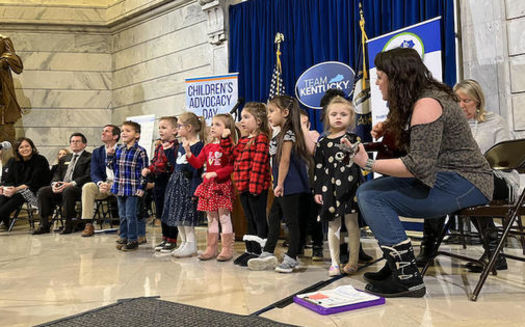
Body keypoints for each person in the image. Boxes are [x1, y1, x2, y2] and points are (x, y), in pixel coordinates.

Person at [352, 47, 493, 298]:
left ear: (397, 78)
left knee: (372, 195)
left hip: (468, 181)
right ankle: (397, 264)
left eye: (381, 76)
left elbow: (418, 165)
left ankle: (407, 278)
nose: (377, 82)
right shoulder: (423, 98)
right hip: (447, 176)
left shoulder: (428, 103)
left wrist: (368, 163)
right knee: (368, 191)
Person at [416, 79, 519, 271]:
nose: (461, 105)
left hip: (499, 178)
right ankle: (429, 247)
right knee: (437, 184)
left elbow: (507, 157)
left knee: (469, 183)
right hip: (464, 179)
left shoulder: (494, 122)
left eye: (467, 100)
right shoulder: (451, 125)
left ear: (477, 101)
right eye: (457, 100)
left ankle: (493, 251)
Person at [246, 96, 310, 273]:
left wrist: (280, 183)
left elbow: (285, 160)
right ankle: (267, 252)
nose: (269, 115)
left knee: (292, 222)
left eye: (272, 111)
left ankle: (292, 257)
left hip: (292, 186)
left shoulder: (289, 133)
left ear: (286, 112)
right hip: (282, 186)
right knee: (273, 217)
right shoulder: (278, 134)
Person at [312, 96, 363, 276]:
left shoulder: (353, 138)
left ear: (351, 117)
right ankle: (334, 262)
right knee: (333, 225)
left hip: (350, 188)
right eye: (334, 114)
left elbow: (359, 163)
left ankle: (353, 261)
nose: (338, 117)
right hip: (329, 188)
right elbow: (319, 167)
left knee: (352, 223)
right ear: (327, 117)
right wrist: (317, 190)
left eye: (343, 114)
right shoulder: (323, 142)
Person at [221, 102, 271, 266]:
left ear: (258, 121)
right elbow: (231, 155)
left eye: (246, 117)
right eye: (241, 117)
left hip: (255, 188)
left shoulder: (261, 139)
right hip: (243, 188)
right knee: (249, 219)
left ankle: (263, 250)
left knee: (259, 218)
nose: (242, 121)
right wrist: (226, 139)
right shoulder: (244, 140)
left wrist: (254, 189)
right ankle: (251, 250)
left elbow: (259, 164)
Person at [185, 114, 235, 261]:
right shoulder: (208, 147)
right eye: (212, 124)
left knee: (224, 218)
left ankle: (227, 249)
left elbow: (231, 166)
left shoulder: (228, 146)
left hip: (222, 186)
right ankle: (211, 248)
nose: (213, 127)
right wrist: (188, 153)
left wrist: (215, 173)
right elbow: (198, 163)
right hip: (209, 187)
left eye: (217, 124)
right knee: (211, 218)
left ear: (227, 129)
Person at [162, 112, 205, 258]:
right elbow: (177, 164)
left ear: (189, 127)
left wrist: (194, 190)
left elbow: (196, 168)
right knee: (178, 215)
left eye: (179, 126)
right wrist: (168, 152)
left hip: (188, 183)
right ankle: (184, 242)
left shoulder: (198, 146)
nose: (177, 129)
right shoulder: (181, 145)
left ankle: (191, 244)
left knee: (187, 216)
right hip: (177, 184)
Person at [33, 133, 92, 235]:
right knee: (43, 191)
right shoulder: (65, 158)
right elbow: (57, 174)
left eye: (78, 141)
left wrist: (71, 184)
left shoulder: (89, 157)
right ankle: (44, 225)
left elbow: (88, 175)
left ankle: (69, 224)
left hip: (78, 188)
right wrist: (55, 184)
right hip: (62, 187)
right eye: (72, 141)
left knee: (68, 190)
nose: (75, 143)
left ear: (84, 144)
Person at [107, 121, 148, 251]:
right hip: (120, 187)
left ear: (137, 135)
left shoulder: (140, 151)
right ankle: (123, 237)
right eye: (123, 130)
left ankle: (133, 240)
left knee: (131, 215)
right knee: (123, 214)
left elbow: (144, 172)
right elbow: (111, 167)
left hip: (133, 188)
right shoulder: (119, 149)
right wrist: (109, 156)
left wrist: (142, 187)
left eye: (128, 131)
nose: (124, 133)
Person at [142, 116, 179, 252]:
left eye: (164, 127)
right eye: (159, 128)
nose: (161, 130)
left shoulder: (176, 147)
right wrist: (149, 169)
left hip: (169, 179)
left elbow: (175, 164)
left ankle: (172, 239)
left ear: (175, 130)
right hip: (159, 181)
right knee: (161, 211)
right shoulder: (159, 146)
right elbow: (155, 162)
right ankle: (164, 238)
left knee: (170, 211)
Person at [79, 124, 120, 237]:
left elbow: (123, 171)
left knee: (123, 189)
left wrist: (113, 184)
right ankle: (88, 224)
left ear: (115, 136)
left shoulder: (122, 150)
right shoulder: (98, 152)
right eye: (103, 131)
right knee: (88, 187)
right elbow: (94, 172)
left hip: (118, 182)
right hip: (103, 183)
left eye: (107, 131)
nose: (103, 133)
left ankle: (124, 224)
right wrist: (101, 183)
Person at [0, 138, 50, 229]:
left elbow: (34, 182)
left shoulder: (40, 160)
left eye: (27, 146)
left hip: (34, 191)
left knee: (16, 198)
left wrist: (16, 189)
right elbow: (7, 179)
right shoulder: (13, 161)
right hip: (15, 190)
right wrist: (6, 188)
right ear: (17, 150)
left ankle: (3, 217)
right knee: (2, 196)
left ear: (32, 147)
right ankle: (5, 221)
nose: (25, 149)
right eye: (21, 147)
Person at [299, 109, 324, 261]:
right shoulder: (291, 137)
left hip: (312, 183)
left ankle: (317, 246)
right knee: (298, 217)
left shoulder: (313, 134)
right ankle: (299, 243)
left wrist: (303, 131)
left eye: (304, 122)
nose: (301, 125)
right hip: (298, 184)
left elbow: (312, 150)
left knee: (315, 217)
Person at [0, 35, 23, 143]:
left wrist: (4, 60)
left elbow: (16, 63)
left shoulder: (3, 39)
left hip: (2, 88)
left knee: (6, 136)